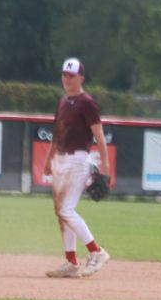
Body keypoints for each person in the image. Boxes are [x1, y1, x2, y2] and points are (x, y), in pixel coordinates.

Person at [43, 57, 111, 278]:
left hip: (78, 161)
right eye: (64, 75)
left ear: (81, 78)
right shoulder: (63, 102)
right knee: (61, 213)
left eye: (71, 75)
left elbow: (99, 135)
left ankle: (97, 251)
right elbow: (57, 134)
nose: (67, 79)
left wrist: (105, 166)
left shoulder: (87, 103)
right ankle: (71, 263)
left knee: (66, 210)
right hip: (60, 160)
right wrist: (48, 159)